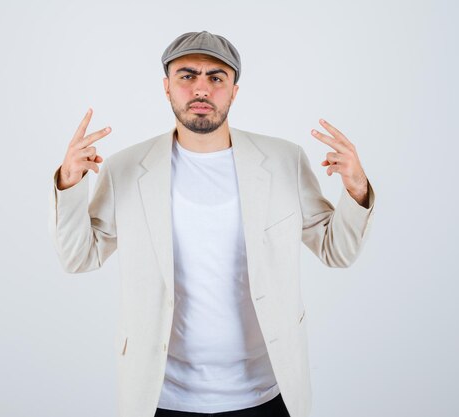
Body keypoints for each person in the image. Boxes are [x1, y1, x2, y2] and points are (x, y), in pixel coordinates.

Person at [49, 30, 375, 417]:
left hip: (266, 393)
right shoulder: (126, 169)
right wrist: (69, 184)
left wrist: (355, 189)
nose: (201, 89)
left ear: (234, 90)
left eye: (216, 78)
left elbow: (336, 250)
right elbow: (77, 257)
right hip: (161, 396)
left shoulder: (284, 160)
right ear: (167, 87)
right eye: (187, 76)